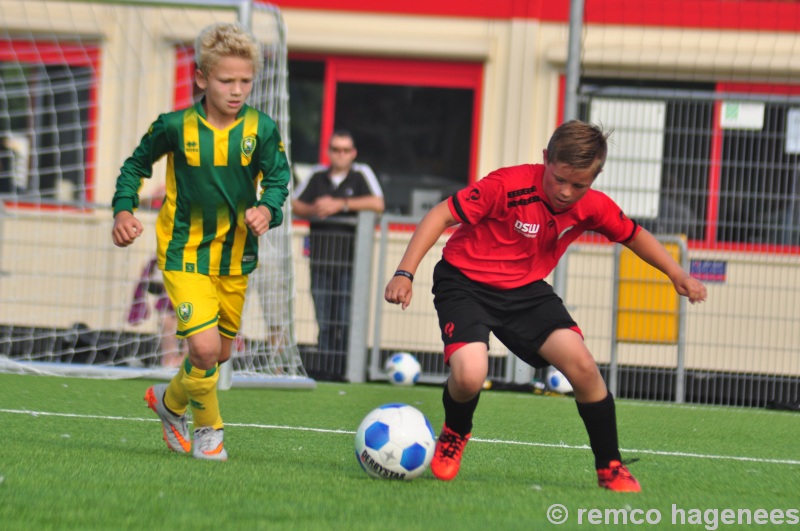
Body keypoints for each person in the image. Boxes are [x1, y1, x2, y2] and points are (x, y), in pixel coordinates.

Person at [384, 120, 707, 491]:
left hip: (526, 292)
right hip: (465, 283)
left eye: (579, 184)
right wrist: (405, 273)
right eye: (559, 179)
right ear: (545, 160)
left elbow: (634, 235)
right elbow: (441, 214)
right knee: (471, 373)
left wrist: (676, 274)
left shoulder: (593, 206)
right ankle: (456, 431)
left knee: (584, 367)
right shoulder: (507, 185)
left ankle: (610, 466)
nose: (567, 192)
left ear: (595, 177)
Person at [111, 22, 290, 461]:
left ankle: (170, 404)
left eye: (245, 81)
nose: (237, 90)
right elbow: (135, 166)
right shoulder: (174, 127)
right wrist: (123, 210)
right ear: (201, 78)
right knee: (205, 349)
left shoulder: (261, 130)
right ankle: (210, 431)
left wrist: (268, 208)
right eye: (227, 80)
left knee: (220, 354)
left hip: (236, 259)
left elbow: (280, 179)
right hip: (184, 254)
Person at [292, 130, 384, 362]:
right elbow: (294, 204)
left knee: (346, 317)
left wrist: (340, 205)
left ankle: (345, 366)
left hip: (351, 262)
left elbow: (378, 204)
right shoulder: (317, 175)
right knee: (323, 318)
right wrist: (316, 210)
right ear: (328, 152)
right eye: (335, 149)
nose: (340, 154)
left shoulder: (361, 174)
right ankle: (325, 365)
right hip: (321, 259)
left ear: (353, 153)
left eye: (345, 150)